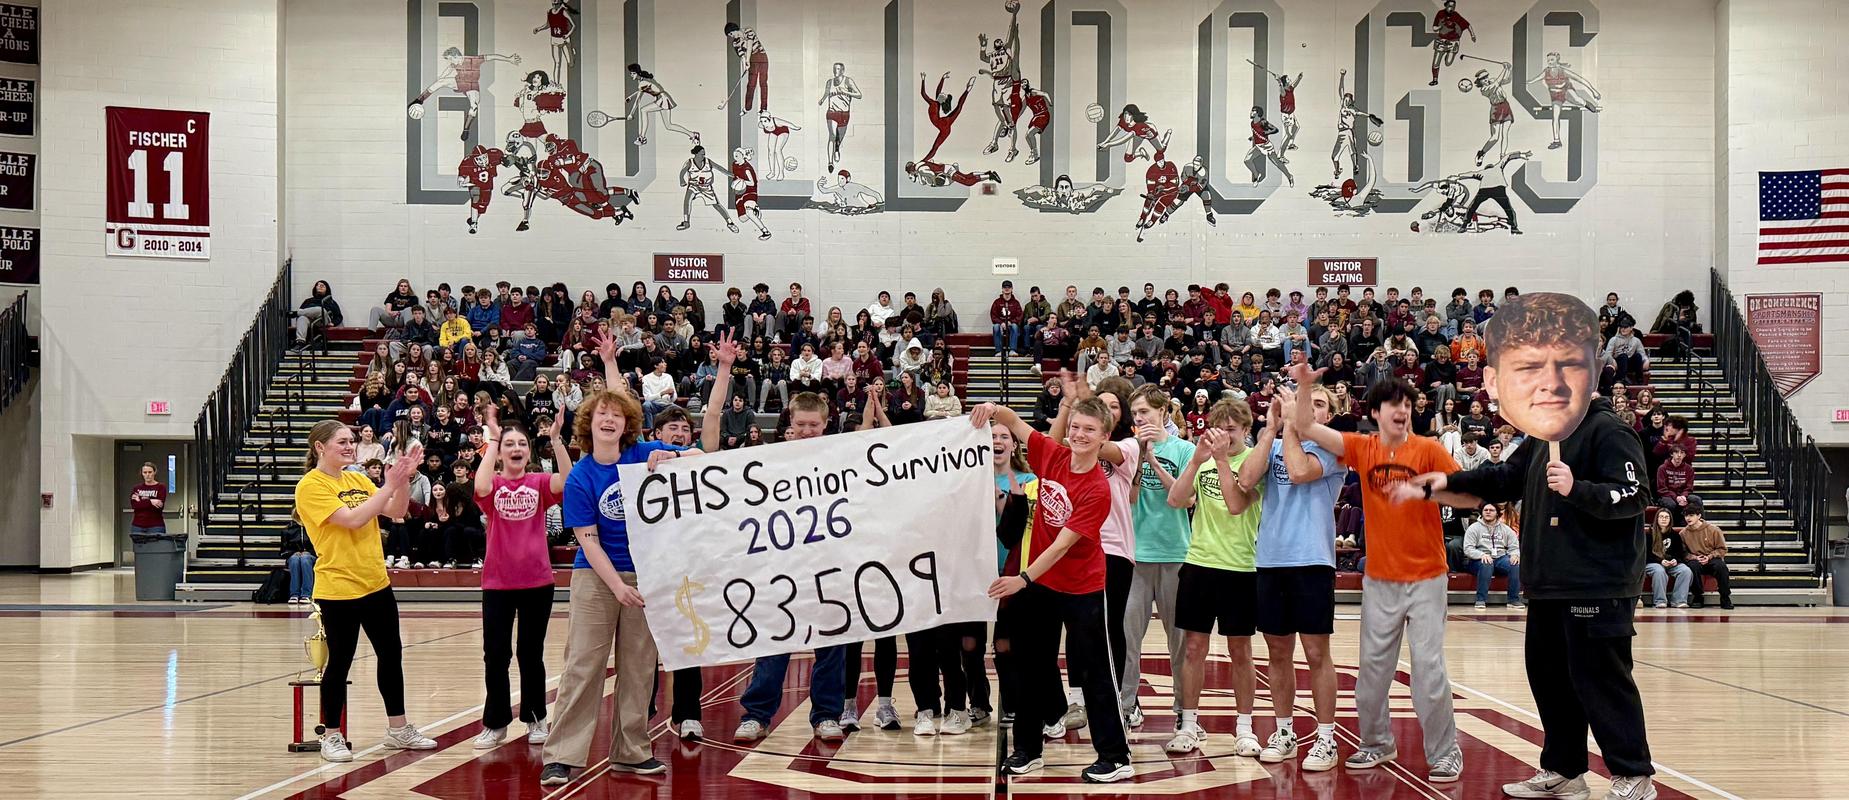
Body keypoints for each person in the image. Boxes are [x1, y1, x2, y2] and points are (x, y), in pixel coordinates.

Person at [1400, 292, 1657, 800]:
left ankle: (1633, 773)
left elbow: (1634, 497)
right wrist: (1439, 484)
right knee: (1551, 681)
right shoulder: (1544, 436)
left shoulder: (1610, 433)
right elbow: (1502, 478)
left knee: (1602, 682)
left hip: (1597, 583)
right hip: (1548, 585)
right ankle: (1565, 769)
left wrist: (1578, 489)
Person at [1286, 363, 1463, 783]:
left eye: (1407, 404)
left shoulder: (1430, 450)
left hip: (1426, 577)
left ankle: (1445, 751)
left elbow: (1470, 494)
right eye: (1392, 404)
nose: (1402, 410)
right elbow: (1307, 426)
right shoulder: (1362, 448)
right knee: (1371, 673)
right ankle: (1377, 743)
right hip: (1380, 579)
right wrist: (1306, 384)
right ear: (1376, 412)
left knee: (1428, 670)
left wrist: (1425, 489)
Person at [539, 335, 703, 787]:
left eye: (616, 415)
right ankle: (562, 754)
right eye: (601, 415)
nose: (608, 419)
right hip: (598, 579)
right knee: (583, 665)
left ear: (626, 423)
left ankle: (631, 751)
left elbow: (697, 455)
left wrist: (668, 456)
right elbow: (588, 543)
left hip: (646, 575)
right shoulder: (580, 479)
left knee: (638, 666)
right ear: (588, 424)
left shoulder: (640, 454)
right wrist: (617, 587)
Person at [971, 397, 1135, 783]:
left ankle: (1115, 755)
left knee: (1096, 671)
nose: (1079, 434)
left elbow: (1062, 545)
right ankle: (1028, 751)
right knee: (1032, 665)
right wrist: (991, 409)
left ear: (1104, 438)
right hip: (1041, 583)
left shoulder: (1098, 488)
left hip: (1081, 588)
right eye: (1075, 427)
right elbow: (1013, 421)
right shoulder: (1052, 454)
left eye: (1089, 430)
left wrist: (1022, 578)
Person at [294, 421, 439, 762]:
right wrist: (388, 484)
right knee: (340, 661)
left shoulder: (358, 478)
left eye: (352, 440)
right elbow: (353, 519)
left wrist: (401, 482)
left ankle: (398, 729)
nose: (350, 445)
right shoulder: (310, 486)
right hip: (338, 587)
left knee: (391, 655)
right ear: (320, 448)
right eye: (342, 441)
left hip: (375, 582)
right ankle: (331, 734)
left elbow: (396, 511)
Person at [1233, 382, 1346, 770]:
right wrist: (1269, 430)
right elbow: (1245, 480)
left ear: (1328, 417)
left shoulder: (1333, 449)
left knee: (1317, 654)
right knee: (1278, 653)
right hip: (1270, 560)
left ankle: (1327, 738)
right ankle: (1285, 731)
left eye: (1318, 405)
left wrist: (1291, 428)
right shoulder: (1275, 443)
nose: (1309, 409)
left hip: (1312, 561)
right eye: (1304, 403)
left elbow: (1299, 473)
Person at [734, 389, 852, 744]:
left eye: (813, 425)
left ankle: (827, 715)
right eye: (800, 424)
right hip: (781, 567)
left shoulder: (843, 458)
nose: (806, 430)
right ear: (790, 420)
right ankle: (756, 714)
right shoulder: (770, 461)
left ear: (826, 423)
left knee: (832, 645)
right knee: (774, 641)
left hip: (829, 566)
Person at [1162, 399, 1263, 759]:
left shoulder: (1253, 462)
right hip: (1199, 562)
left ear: (1245, 430)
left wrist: (1220, 459)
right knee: (1193, 648)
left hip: (1241, 567)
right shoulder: (1204, 459)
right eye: (1218, 430)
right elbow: (1176, 499)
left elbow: (1237, 504)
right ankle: (1188, 725)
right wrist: (1195, 461)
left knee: (1240, 652)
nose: (1223, 437)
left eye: (1231, 430)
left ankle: (1245, 728)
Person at [472, 409, 573, 749]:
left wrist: (556, 439)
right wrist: (494, 437)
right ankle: (495, 723)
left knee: (531, 653)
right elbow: (480, 485)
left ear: (529, 451)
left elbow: (566, 481)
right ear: (501, 452)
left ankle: (536, 718)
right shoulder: (494, 484)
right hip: (498, 583)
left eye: (522, 444)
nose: (516, 448)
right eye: (509, 444)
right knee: (495, 655)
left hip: (537, 582)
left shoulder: (539, 483)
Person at [1117, 385, 1194, 729]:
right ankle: (1126, 705)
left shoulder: (1184, 449)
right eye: (1135, 414)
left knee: (1178, 641)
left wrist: (1150, 459)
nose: (1140, 419)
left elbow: (1185, 498)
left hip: (1175, 552)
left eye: (1146, 412)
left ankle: (1183, 710)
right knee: (1128, 637)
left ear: (1163, 411)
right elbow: (1130, 499)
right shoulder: (1128, 450)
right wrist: (1138, 458)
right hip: (1136, 554)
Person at [1463, 502, 1521, 610]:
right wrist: (1481, 555)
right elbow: (1468, 549)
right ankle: (1481, 600)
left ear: (1497, 514)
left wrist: (1515, 555)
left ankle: (1513, 600)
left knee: (1515, 565)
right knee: (1487, 564)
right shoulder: (1474, 528)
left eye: (1491, 510)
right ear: (1482, 512)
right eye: (1486, 510)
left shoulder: (1506, 529)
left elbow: (1514, 546)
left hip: (1500, 558)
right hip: (1478, 560)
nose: (1488, 512)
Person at [1681, 499, 1732, 610]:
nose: (1688, 518)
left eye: (1691, 515)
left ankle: (1725, 597)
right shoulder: (1683, 533)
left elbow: (1722, 549)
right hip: (1696, 559)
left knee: (1721, 567)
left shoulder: (1713, 529)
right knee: (1692, 566)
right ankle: (1698, 597)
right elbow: (1683, 552)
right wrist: (1694, 557)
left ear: (1699, 516)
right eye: (1686, 516)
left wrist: (1709, 557)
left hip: (1712, 558)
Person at [1644, 508, 1693, 609]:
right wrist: (1661, 561)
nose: (1664, 519)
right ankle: (1660, 601)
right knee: (1659, 570)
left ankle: (1679, 601)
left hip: (1670, 563)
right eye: (1661, 517)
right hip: (1653, 563)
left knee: (1685, 570)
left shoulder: (1675, 535)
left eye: (1667, 517)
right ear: (1656, 519)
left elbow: (1680, 553)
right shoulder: (1649, 534)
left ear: (1670, 520)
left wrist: (1676, 560)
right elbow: (1646, 554)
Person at [128, 462, 169, 537]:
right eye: (145, 472)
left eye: (150, 472)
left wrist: (141, 501)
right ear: (142, 473)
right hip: (138, 526)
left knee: (156, 548)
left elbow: (159, 506)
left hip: (156, 526)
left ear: (154, 472)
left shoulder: (161, 487)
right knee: (139, 548)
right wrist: (151, 501)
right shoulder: (137, 488)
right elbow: (135, 505)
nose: (147, 475)